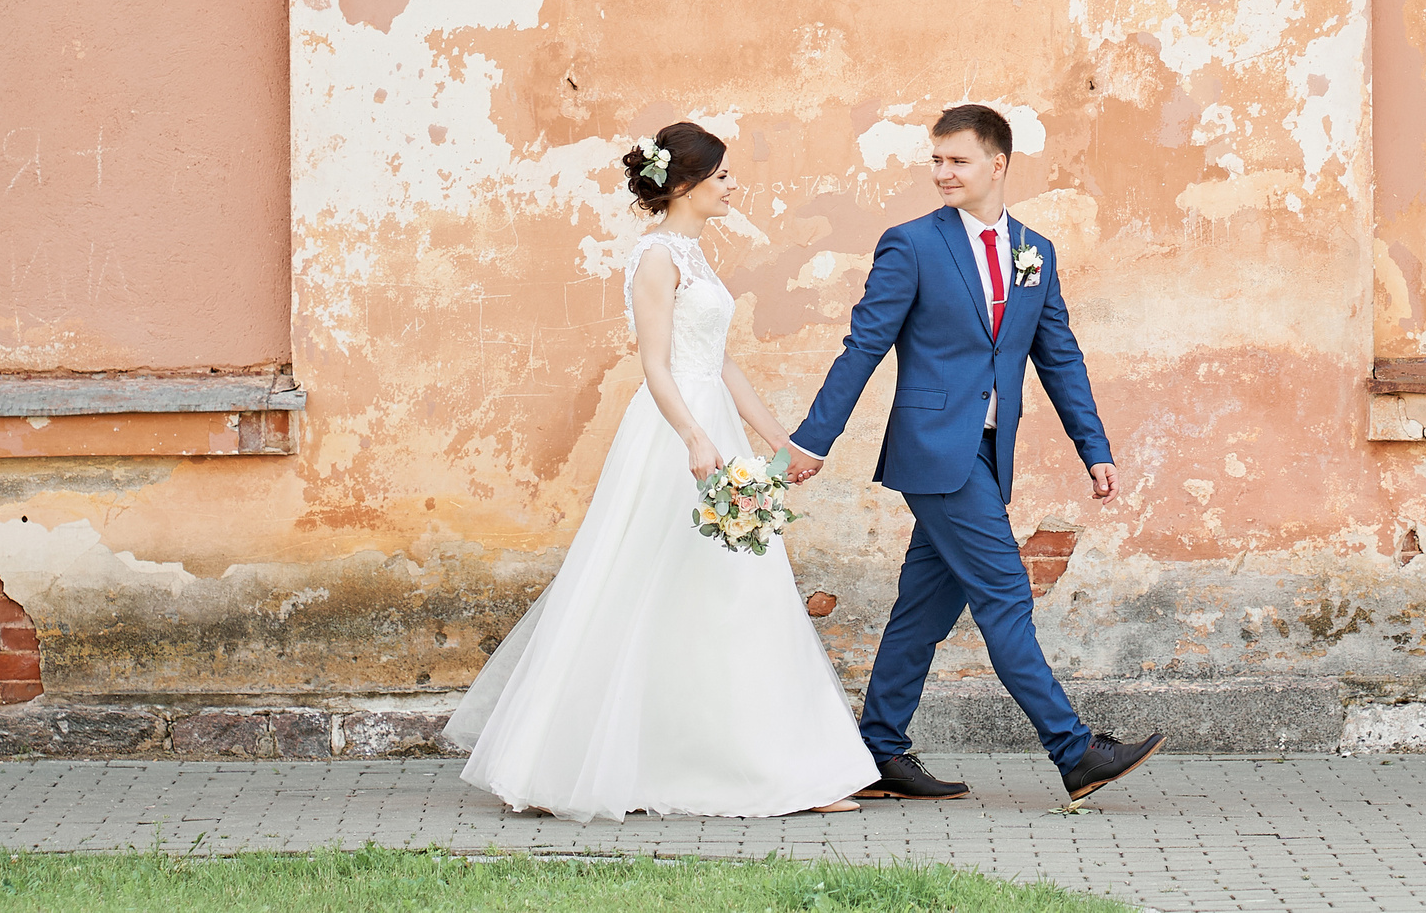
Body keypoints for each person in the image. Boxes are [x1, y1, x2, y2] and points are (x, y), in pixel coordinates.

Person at [447, 121, 876, 822]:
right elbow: (655, 364)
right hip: (676, 434)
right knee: (644, 582)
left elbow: (721, 361)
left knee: (736, 586)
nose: (733, 187)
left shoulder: (698, 257)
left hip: (717, 426)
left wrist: (783, 442)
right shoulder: (655, 258)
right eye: (723, 177)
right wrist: (692, 438)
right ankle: (575, 761)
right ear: (683, 185)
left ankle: (782, 767)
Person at [787, 103, 1164, 804]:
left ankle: (878, 753)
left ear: (997, 164)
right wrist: (815, 437)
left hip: (991, 455)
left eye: (956, 161)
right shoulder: (910, 245)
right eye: (936, 160)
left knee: (922, 612)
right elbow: (864, 345)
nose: (942, 173)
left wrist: (1094, 447)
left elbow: (1059, 356)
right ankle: (1075, 749)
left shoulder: (1034, 251)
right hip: (933, 450)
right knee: (1003, 594)